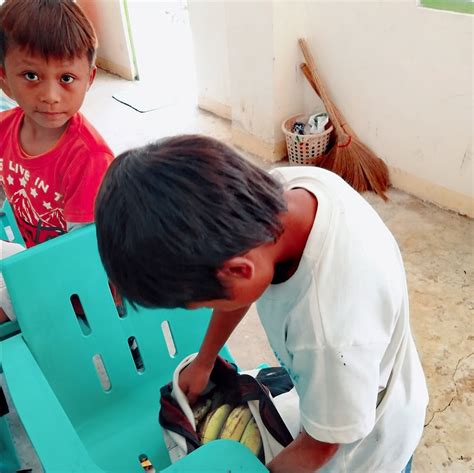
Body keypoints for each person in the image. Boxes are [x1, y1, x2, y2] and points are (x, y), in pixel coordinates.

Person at [94, 135, 429, 473]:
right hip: (350, 386)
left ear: (239, 270)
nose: (206, 308)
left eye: (199, 302)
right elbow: (240, 287)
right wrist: (206, 360)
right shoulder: (283, 196)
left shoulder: (327, 330)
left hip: (365, 448)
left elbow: (321, 446)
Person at [0, 0, 114, 322]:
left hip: (85, 288)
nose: (50, 95)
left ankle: (128, 344)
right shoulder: (5, 128)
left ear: (88, 79)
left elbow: (85, 257)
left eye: (66, 78)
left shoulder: (89, 158)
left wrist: (25, 287)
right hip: (38, 262)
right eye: (31, 75)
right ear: (4, 77)